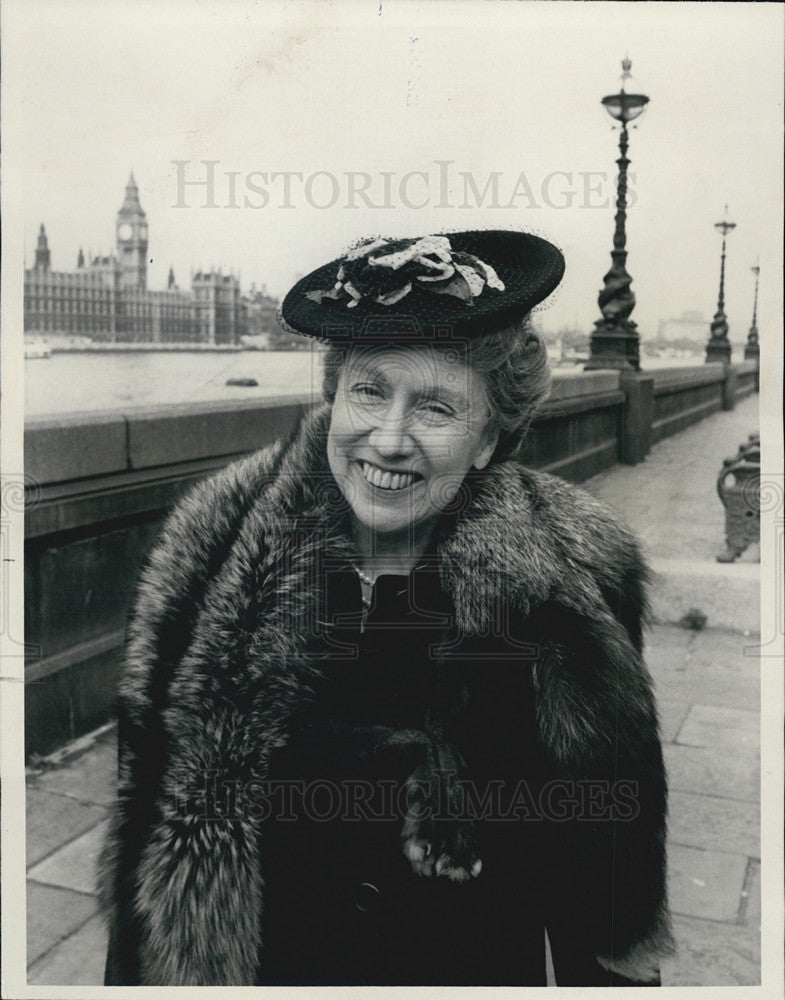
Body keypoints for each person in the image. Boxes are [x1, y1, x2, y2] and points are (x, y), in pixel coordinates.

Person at [99, 230, 673, 986]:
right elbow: (150, 850)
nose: (389, 439)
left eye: (435, 406)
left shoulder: (569, 584)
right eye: (368, 391)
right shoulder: (210, 554)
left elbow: (604, 893)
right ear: (333, 397)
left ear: (487, 439)